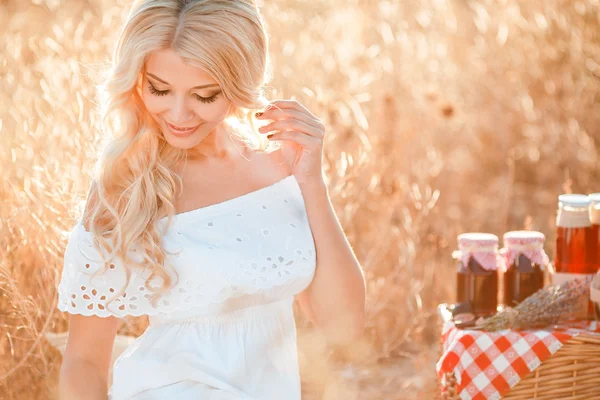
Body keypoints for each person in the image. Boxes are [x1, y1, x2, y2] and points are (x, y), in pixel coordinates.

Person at [56, 0, 366, 399]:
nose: (179, 114)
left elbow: (344, 326)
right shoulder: (125, 187)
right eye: (159, 89)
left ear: (239, 84)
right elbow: (83, 360)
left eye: (204, 95)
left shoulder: (279, 165)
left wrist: (312, 183)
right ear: (137, 80)